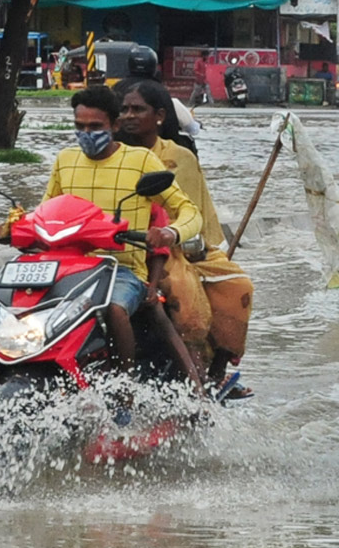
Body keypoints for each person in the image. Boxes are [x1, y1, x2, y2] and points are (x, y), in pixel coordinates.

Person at [42, 85, 204, 391]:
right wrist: (15, 226)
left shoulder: (141, 161)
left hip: (123, 270)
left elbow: (190, 212)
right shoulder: (65, 160)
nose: (87, 134)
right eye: (80, 127)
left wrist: (170, 232)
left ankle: (123, 387)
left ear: (114, 126)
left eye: (95, 127)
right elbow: (45, 209)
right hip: (70, 269)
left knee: (114, 307)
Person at [117, 80, 255, 395]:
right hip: (118, 246)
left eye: (138, 109)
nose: (129, 116)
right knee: (182, 296)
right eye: (124, 110)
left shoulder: (179, 158)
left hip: (174, 245)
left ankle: (211, 372)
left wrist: (175, 238)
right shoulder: (109, 154)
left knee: (237, 288)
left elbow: (190, 212)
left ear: (160, 116)